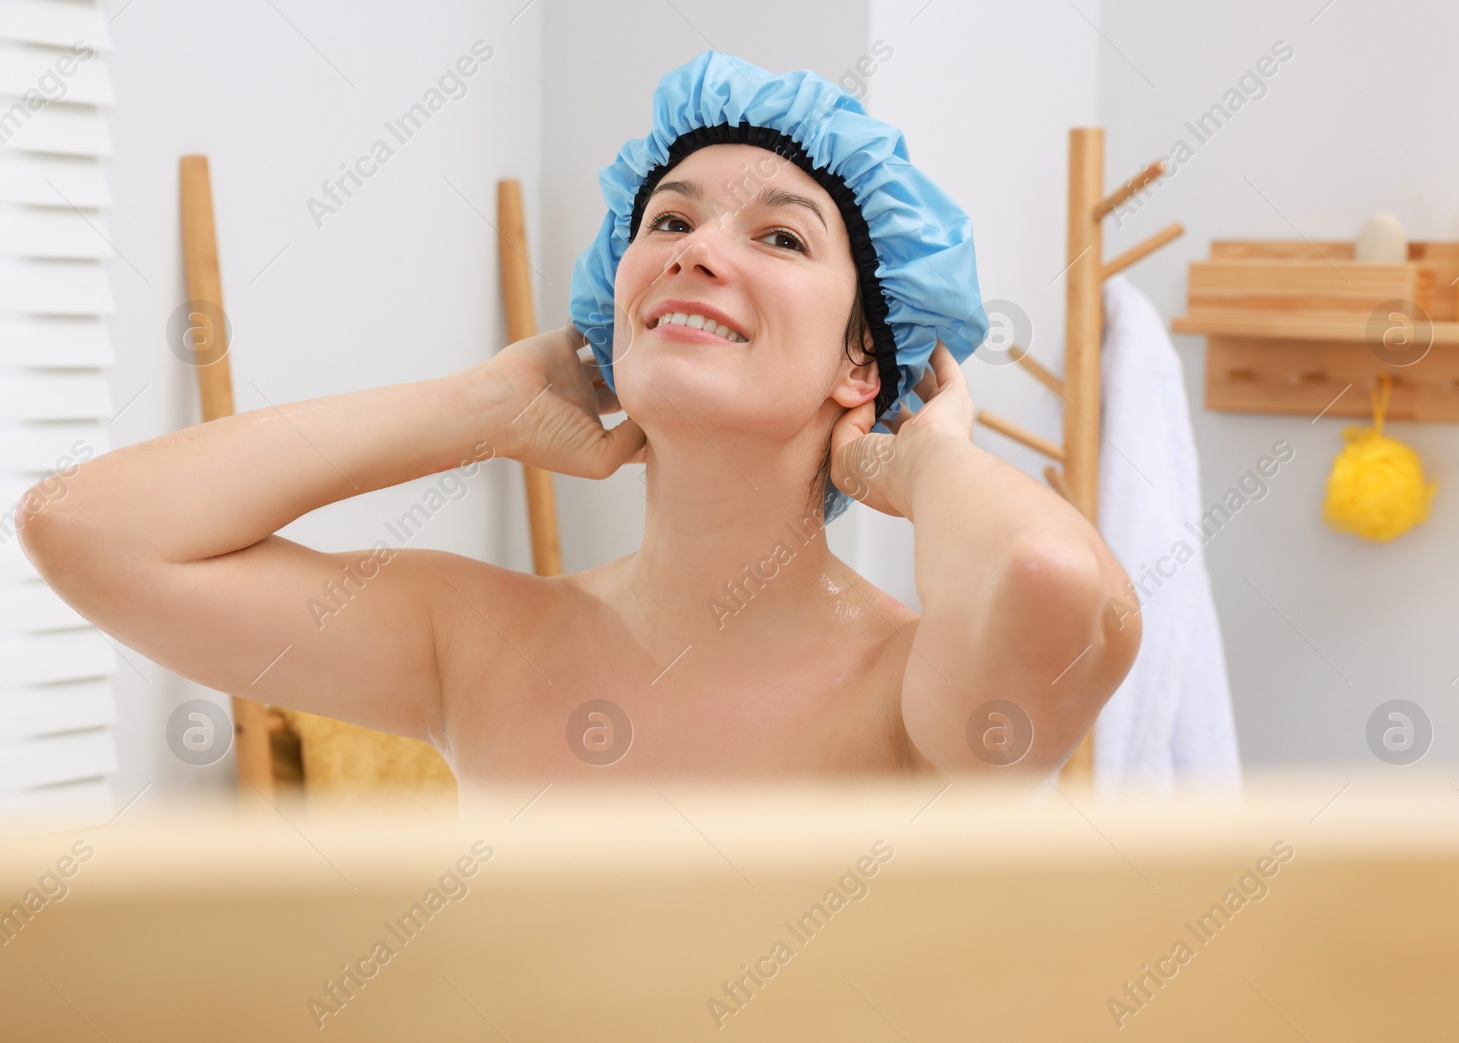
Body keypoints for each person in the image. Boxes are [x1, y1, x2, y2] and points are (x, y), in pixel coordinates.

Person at [16, 52, 1139, 795]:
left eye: (781, 238)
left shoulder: (917, 692)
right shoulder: (480, 641)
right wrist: (477, 408)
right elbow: (85, 528)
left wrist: (929, 456)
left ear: (864, 361)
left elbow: (1053, 577)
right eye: (670, 219)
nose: (699, 247)